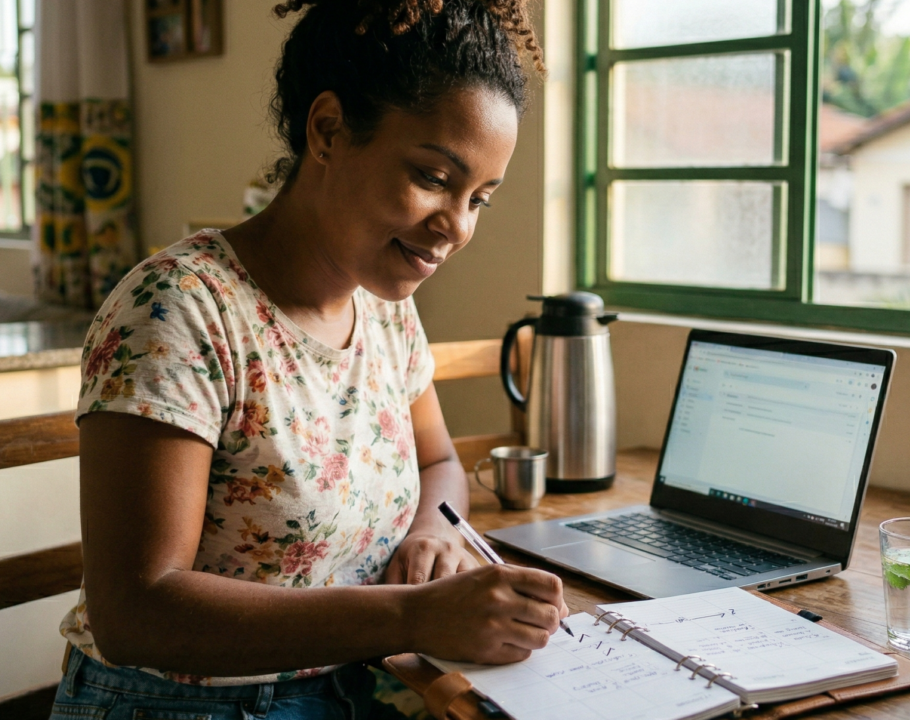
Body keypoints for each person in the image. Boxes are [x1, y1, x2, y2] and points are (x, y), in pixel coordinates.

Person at [49, 1, 566, 717]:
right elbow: (136, 611)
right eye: (432, 177)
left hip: (349, 686)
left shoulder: (385, 306)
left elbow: (439, 464)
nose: (457, 226)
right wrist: (411, 616)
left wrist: (432, 533)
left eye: (480, 197)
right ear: (327, 130)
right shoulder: (180, 309)